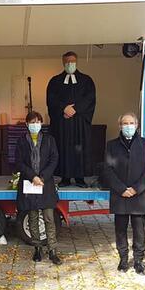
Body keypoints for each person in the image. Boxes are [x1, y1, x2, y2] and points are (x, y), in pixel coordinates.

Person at [102, 112, 145, 275]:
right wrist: (121, 189)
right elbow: (107, 169)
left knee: (139, 229)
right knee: (120, 228)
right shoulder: (111, 145)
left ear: (137, 125)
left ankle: (138, 260)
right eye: (125, 123)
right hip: (120, 195)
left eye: (131, 123)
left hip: (139, 195)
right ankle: (123, 259)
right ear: (120, 126)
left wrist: (135, 188)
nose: (128, 126)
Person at [15, 111, 62, 265]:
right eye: (32, 122)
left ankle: (52, 249)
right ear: (27, 124)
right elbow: (19, 162)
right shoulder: (22, 141)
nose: (35, 125)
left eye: (38, 121)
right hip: (30, 183)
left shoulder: (49, 140)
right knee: (33, 217)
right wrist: (32, 176)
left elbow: (54, 159)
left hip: (45, 183)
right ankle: (37, 248)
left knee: (49, 217)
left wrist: (42, 177)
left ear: (41, 123)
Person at [46, 51, 96, 188]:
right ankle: (65, 178)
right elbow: (51, 99)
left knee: (80, 149)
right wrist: (63, 108)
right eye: (67, 62)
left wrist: (76, 109)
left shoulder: (86, 80)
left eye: (72, 62)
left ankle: (80, 178)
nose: (70, 64)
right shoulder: (55, 81)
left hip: (80, 123)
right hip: (62, 124)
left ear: (77, 62)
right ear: (63, 63)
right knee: (63, 148)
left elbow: (90, 98)